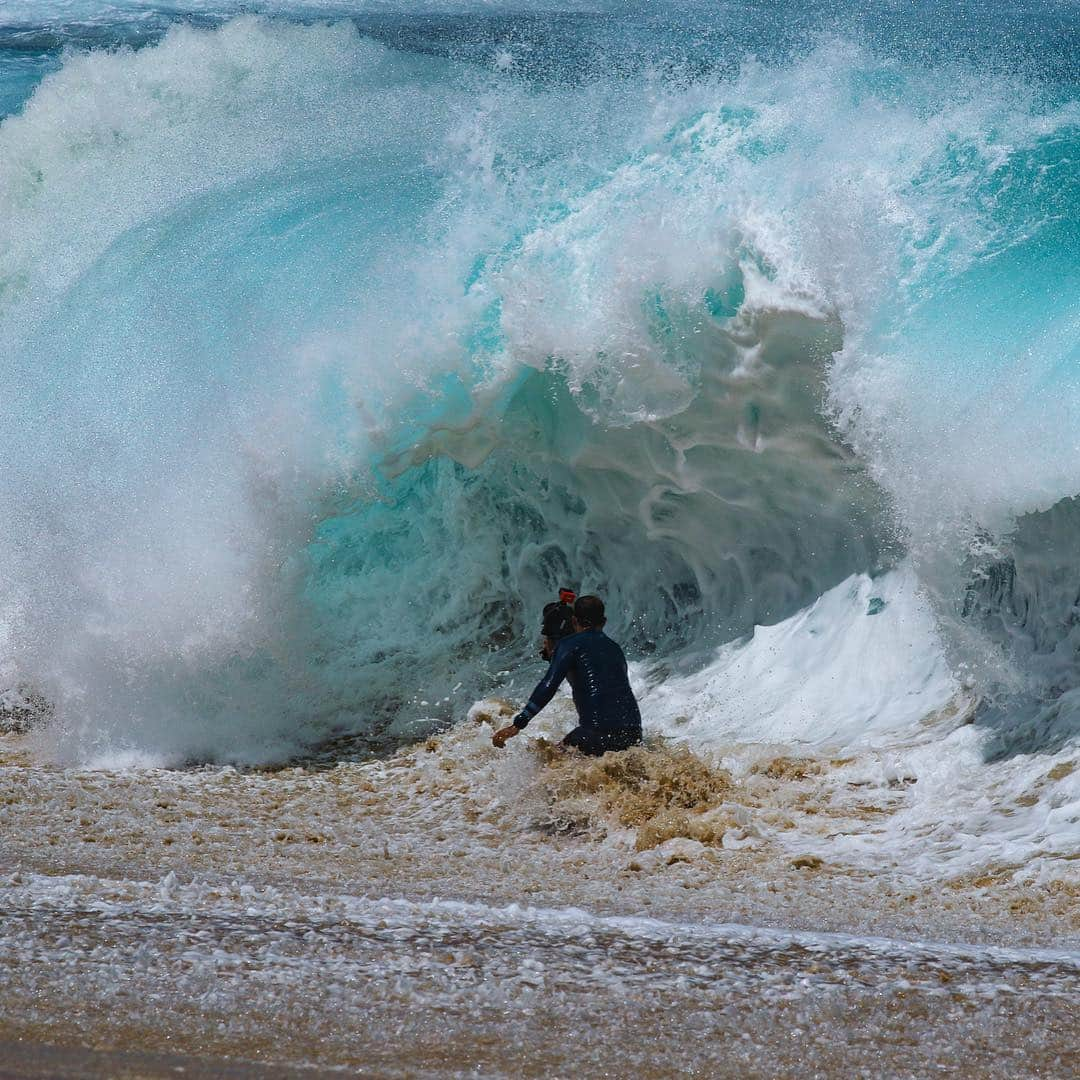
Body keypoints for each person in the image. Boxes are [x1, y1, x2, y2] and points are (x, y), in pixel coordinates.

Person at [492, 594, 642, 755]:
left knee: (549, 763)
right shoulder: (615, 648)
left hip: (594, 734)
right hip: (633, 735)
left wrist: (518, 724)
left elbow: (548, 685)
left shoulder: (569, 645)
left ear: (574, 621)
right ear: (604, 622)